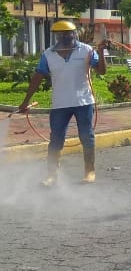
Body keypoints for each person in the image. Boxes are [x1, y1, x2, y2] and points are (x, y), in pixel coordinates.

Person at [17, 20, 108, 185]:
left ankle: (89, 171)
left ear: (74, 34)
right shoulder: (48, 54)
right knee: (56, 139)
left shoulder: (86, 50)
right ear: (56, 36)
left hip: (83, 101)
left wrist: (101, 53)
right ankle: (51, 175)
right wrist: (25, 101)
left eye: (67, 33)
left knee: (86, 136)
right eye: (60, 34)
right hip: (60, 103)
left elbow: (102, 71)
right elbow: (38, 76)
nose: (64, 37)